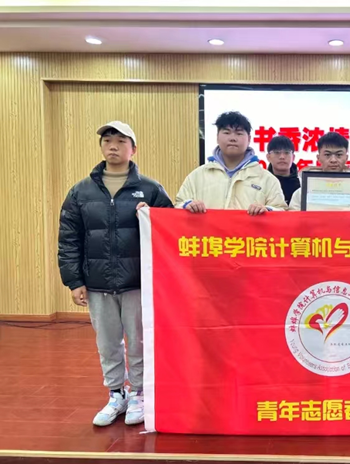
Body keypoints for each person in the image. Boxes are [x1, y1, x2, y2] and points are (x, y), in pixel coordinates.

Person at [58, 121, 173, 427]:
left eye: (121, 141)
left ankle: (139, 393)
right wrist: (74, 280)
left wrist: (153, 215)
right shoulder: (80, 191)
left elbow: (171, 230)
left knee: (138, 341)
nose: (113, 146)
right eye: (108, 140)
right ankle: (115, 394)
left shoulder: (150, 189)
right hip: (97, 283)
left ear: (133, 149)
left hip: (137, 282)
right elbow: (69, 238)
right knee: (108, 343)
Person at [176, 111, 287, 213]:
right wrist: (188, 205)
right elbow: (178, 205)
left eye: (239, 133)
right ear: (217, 137)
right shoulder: (197, 176)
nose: (232, 138)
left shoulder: (267, 179)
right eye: (227, 132)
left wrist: (267, 210)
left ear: (249, 139)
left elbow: (281, 211)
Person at [289, 132, 350, 211]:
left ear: (346, 158)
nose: (333, 160)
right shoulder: (301, 193)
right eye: (327, 155)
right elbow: (293, 220)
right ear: (318, 158)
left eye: (339, 155)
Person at [267, 135, 300, 205]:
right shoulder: (262, 182)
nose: (282, 157)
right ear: (268, 157)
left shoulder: (302, 183)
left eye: (287, 152)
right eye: (277, 152)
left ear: (293, 157)